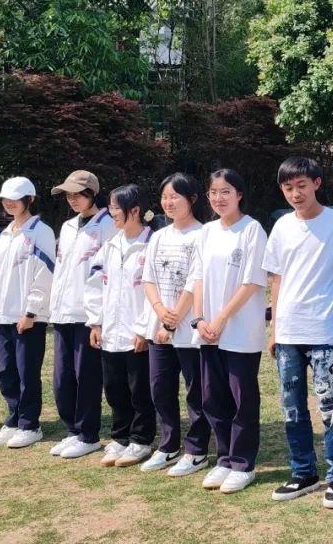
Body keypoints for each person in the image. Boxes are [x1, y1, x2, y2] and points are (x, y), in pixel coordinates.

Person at [263, 157, 333, 509]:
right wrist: (275, 328)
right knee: (292, 408)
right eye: (288, 188)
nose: (295, 194)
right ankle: (303, 472)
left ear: (317, 183)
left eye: (301, 185)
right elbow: (277, 278)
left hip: (324, 331)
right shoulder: (282, 226)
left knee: (330, 408)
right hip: (288, 332)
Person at [188, 169, 268, 494]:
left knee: (241, 399)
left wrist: (220, 318)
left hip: (240, 332)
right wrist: (199, 319)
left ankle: (243, 463)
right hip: (208, 331)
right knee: (213, 397)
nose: (219, 198)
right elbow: (197, 278)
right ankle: (224, 458)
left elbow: (252, 282)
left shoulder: (252, 230)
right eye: (213, 192)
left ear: (239, 194)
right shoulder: (206, 232)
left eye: (226, 192)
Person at [141, 173, 211, 477]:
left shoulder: (203, 235)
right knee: (160, 388)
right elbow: (148, 279)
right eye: (164, 197)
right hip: (159, 326)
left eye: (175, 197)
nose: (168, 203)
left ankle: (197, 450)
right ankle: (168, 445)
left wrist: (173, 320)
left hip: (189, 330)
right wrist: (160, 312)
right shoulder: (158, 236)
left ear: (192, 199)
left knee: (196, 392)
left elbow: (197, 281)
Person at [85, 184, 157, 468]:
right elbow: (94, 285)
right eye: (111, 207)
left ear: (135, 210)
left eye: (116, 208)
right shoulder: (110, 245)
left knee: (140, 389)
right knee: (114, 388)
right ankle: (120, 437)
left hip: (138, 332)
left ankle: (141, 439)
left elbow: (156, 293)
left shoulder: (152, 244)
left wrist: (143, 328)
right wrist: (96, 322)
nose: (111, 213)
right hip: (110, 331)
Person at [0, 176, 56, 449]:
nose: (9, 203)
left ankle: (29, 424)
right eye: (5, 199)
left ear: (30, 199)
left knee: (27, 372)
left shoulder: (41, 231)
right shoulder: (5, 234)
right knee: (6, 372)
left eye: (15, 199)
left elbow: (45, 274)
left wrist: (31, 311)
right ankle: (13, 419)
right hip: (1, 314)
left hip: (26, 317)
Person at [48, 170, 115, 460]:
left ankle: (88, 434)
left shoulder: (108, 225)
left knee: (86, 375)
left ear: (92, 194)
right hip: (62, 312)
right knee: (62, 377)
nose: (72, 199)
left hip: (88, 314)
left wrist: (98, 316)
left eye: (78, 194)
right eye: (68, 195)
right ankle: (73, 430)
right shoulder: (67, 226)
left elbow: (108, 273)